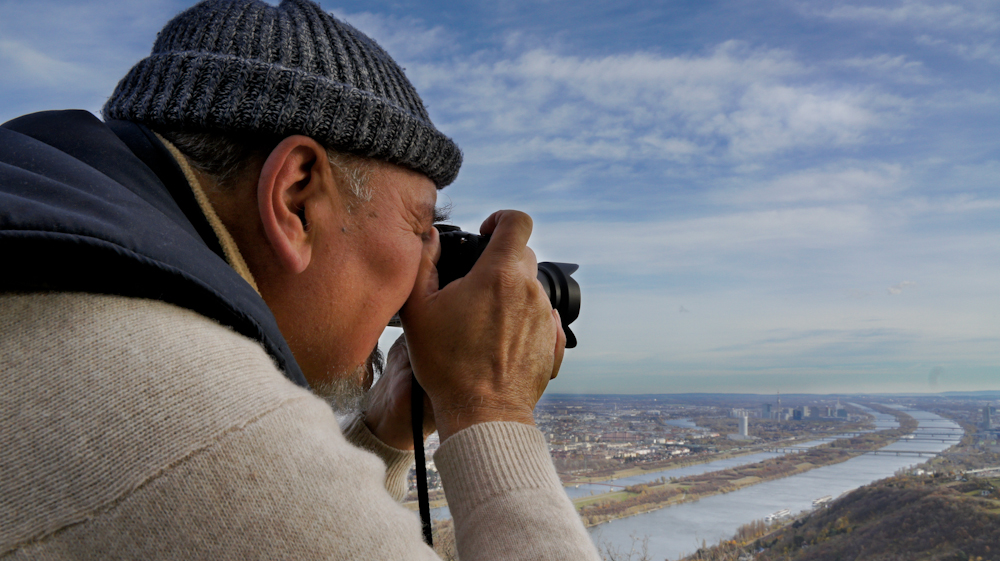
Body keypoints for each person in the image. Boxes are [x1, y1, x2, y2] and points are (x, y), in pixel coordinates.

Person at [0, 0, 600, 559]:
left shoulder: (59, 256)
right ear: (295, 199)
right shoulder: (180, 409)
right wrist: (488, 403)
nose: (428, 269)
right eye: (421, 227)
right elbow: (222, 475)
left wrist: (383, 431)